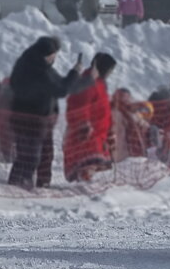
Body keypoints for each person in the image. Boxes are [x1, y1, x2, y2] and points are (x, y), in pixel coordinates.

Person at [8, 37, 87, 188]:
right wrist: (75, 73)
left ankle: (39, 183)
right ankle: (18, 184)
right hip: (32, 121)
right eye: (52, 55)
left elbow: (58, 82)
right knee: (30, 157)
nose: (54, 58)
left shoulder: (32, 62)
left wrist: (72, 75)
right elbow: (61, 90)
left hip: (39, 120)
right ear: (45, 54)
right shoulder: (38, 69)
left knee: (43, 155)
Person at [64, 53, 116, 182]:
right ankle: (84, 182)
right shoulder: (88, 81)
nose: (110, 73)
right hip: (88, 132)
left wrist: (110, 129)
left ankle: (88, 183)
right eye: (109, 70)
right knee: (88, 161)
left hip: (99, 132)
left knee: (96, 163)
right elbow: (79, 104)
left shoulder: (100, 83)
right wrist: (83, 124)